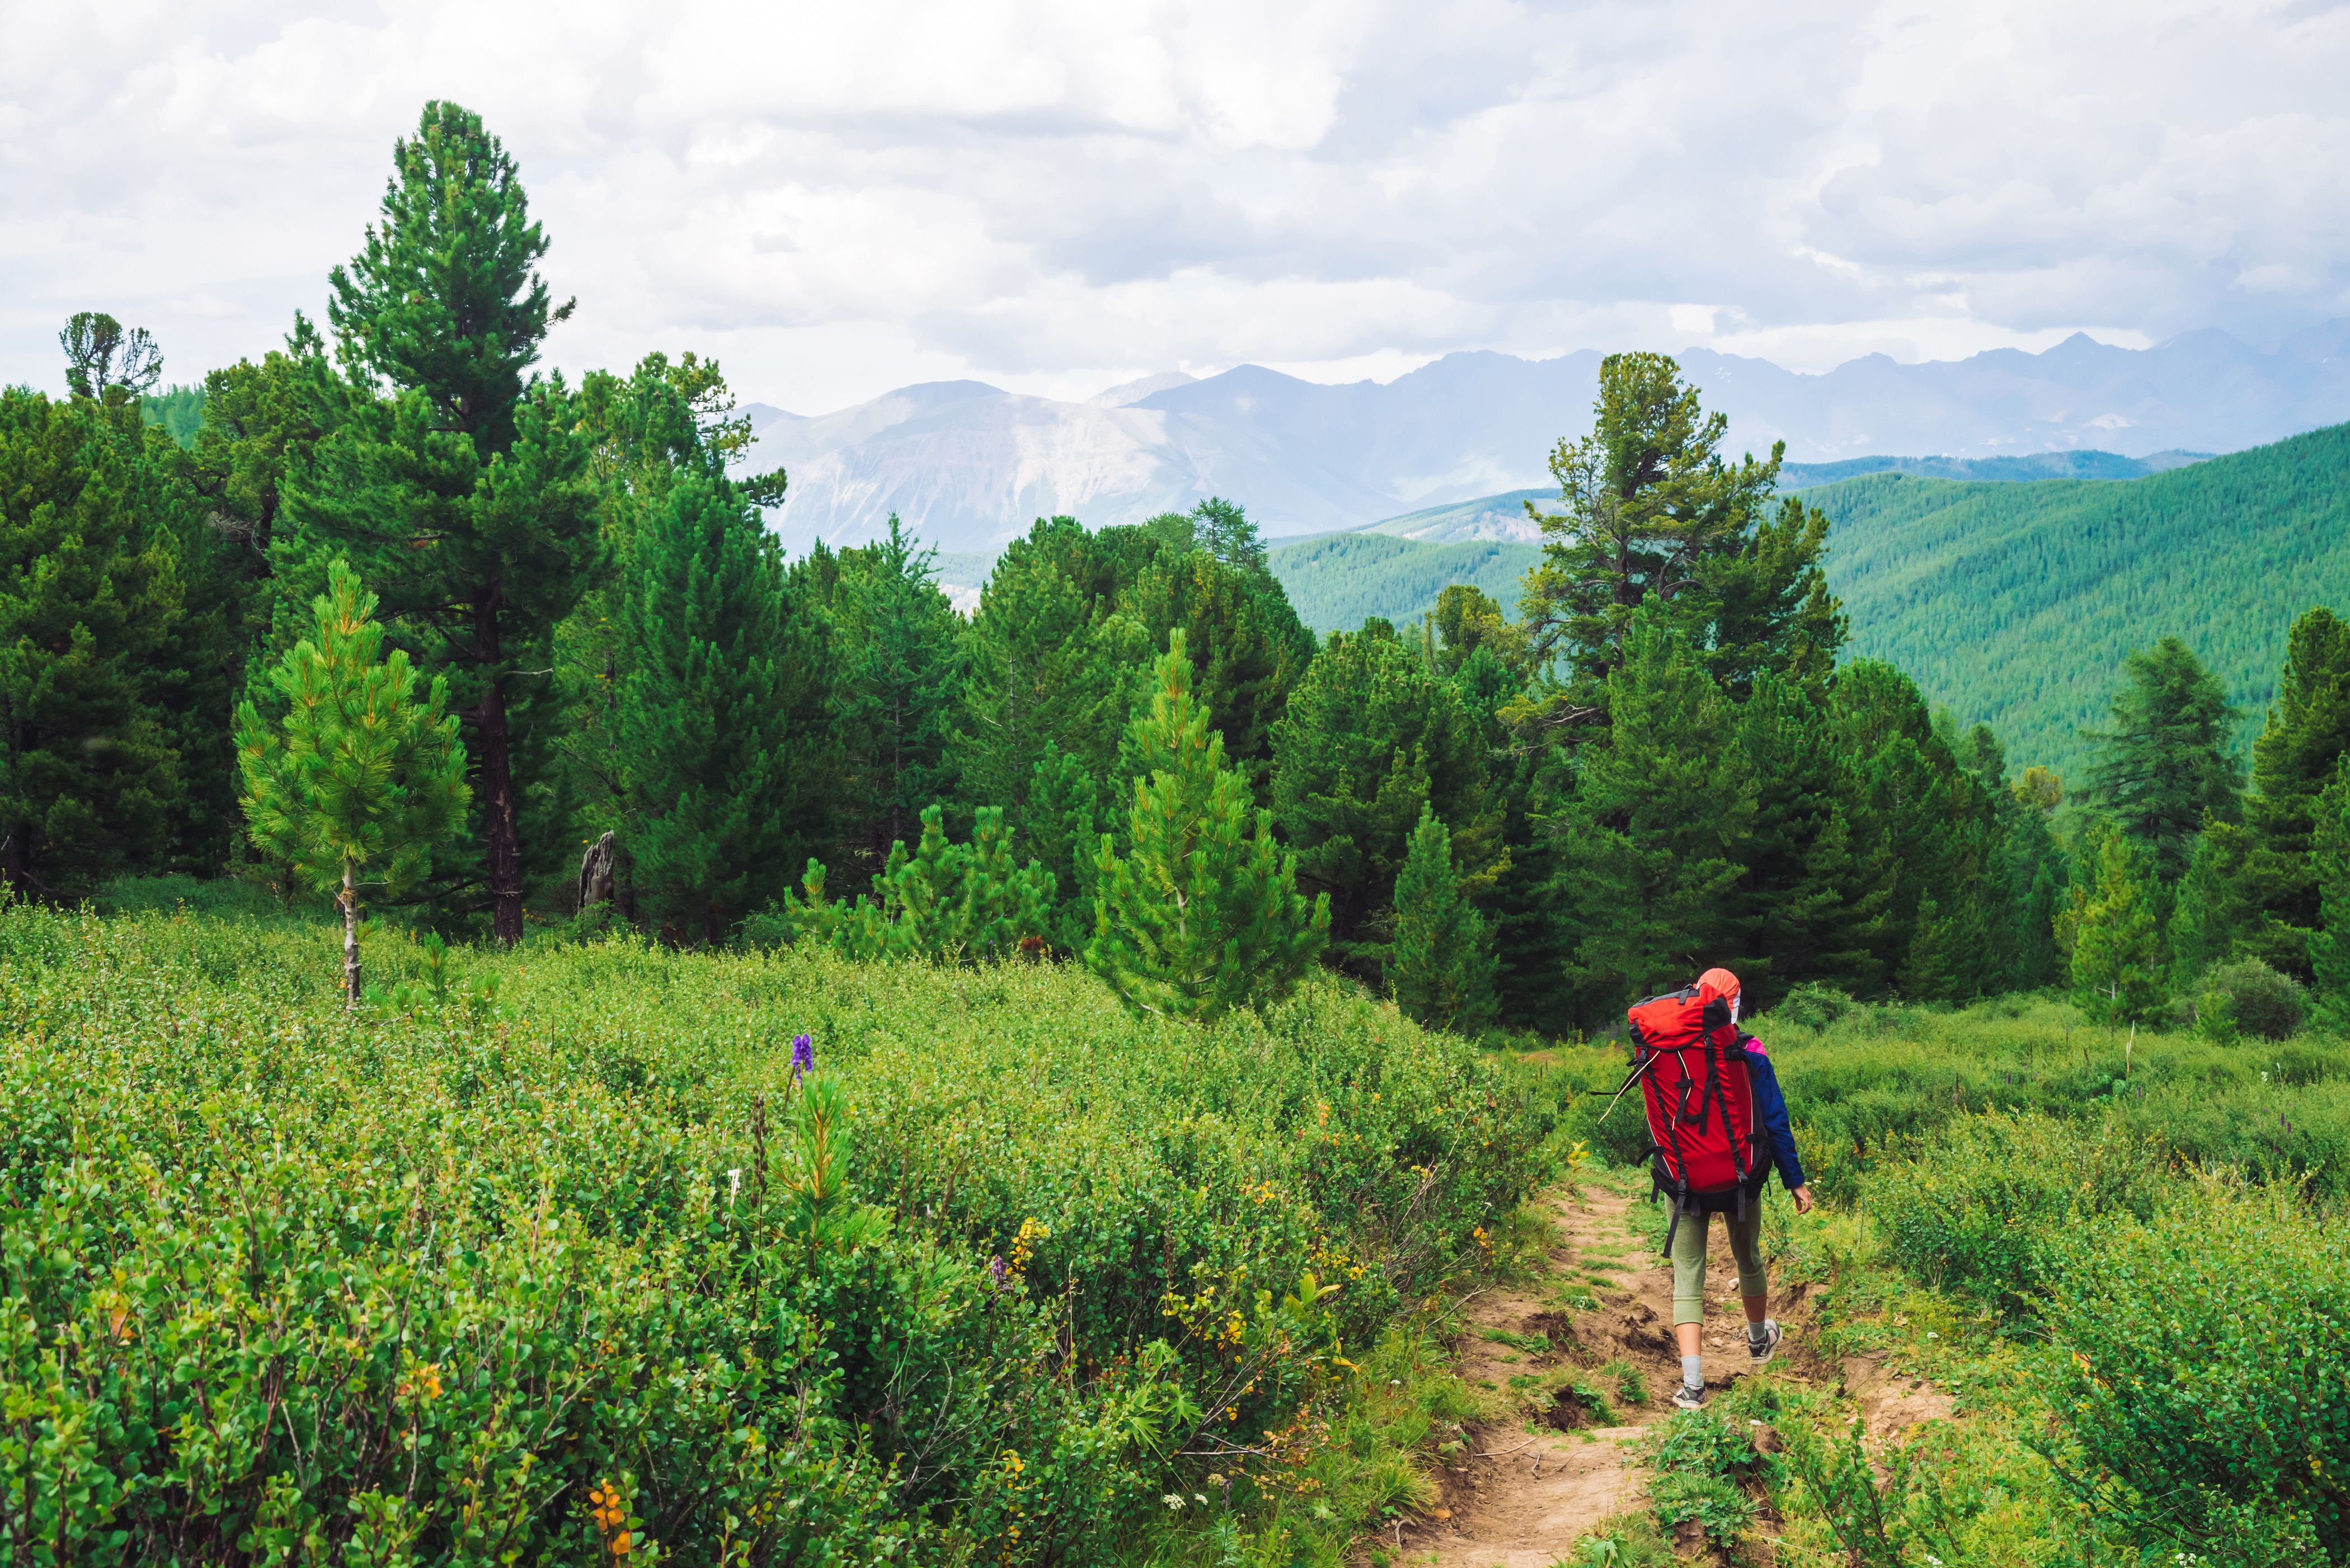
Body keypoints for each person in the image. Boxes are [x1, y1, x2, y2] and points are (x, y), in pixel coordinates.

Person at [1671, 966, 1813, 1410]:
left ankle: (1693, 1387)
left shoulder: (1670, 1048)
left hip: (1686, 1180)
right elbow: (1775, 1120)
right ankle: (1757, 1342)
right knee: (1747, 1256)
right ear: (1734, 1004)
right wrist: (1795, 1180)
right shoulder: (1750, 1050)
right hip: (1741, 1175)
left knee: (1688, 1273)